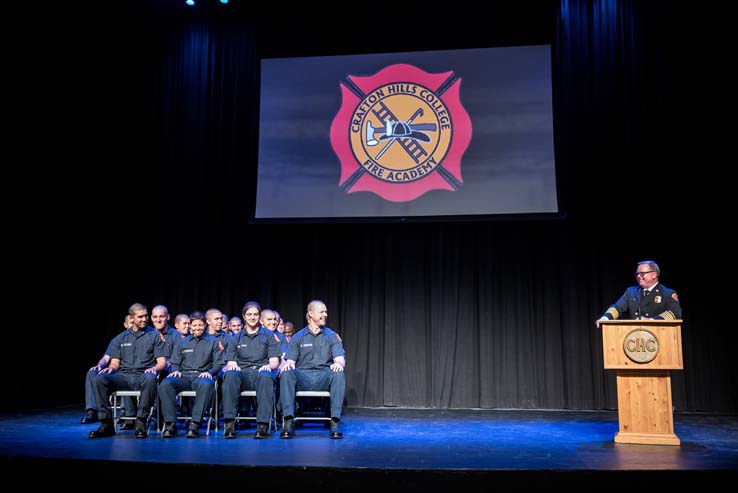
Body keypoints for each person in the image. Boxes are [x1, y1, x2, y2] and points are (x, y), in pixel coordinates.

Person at [88, 303, 167, 438]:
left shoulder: (154, 336)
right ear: (132, 318)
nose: (144, 319)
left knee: (150, 378)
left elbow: (162, 363)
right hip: (124, 376)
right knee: (99, 378)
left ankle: (141, 421)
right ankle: (106, 423)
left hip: (143, 376)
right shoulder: (120, 338)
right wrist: (110, 368)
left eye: (146, 316)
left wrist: (153, 368)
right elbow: (115, 363)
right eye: (140, 317)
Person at [279, 300, 346, 439]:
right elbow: (291, 361)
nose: (325, 315)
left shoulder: (332, 336)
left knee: (339, 373)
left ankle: (335, 422)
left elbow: (340, 359)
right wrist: (288, 365)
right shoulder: (298, 337)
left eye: (326, 312)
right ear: (310, 313)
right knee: (286, 372)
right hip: (303, 376)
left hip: (323, 376)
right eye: (321, 312)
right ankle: (289, 421)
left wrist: (338, 363)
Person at [221, 301, 281, 439]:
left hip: (261, 372)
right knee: (230, 375)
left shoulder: (269, 336)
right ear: (244, 316)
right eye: (249, 314)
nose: (252, 317)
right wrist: (233, 366)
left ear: (259, 317)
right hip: (242, 373)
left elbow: (274, 362)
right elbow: (231, 362)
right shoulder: (235, 338)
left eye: (255, 314)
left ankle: (262, 425)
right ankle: (229, 424)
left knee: (266, 376)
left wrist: (268, 366)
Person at [159, 312, 223, 438]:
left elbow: (218, 364)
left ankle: (195, 424)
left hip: (202, 376)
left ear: (205, 325)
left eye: (200, 325)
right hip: (184, 376)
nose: (197, 328)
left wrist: (209, 372)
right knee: (166, 384)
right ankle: (170, 424)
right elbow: (175, 361)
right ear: (190, 326)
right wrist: (175, 370)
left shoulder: (213, 342)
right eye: (194, 326)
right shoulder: (182, 342)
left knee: (206, 385)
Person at [596, 260, 682, 327]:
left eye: (642, 273)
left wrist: (651, 321)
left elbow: (674, 314)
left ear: (654, 275)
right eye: (637, 273)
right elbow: (617, 308)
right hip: (635, 337)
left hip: (659, 335)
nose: (638, 276)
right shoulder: (631, 292)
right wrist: (605, 318)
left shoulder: (667, 293)